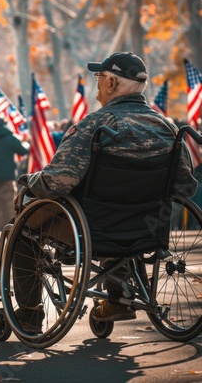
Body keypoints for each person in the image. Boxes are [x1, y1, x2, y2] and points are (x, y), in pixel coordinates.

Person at [14, 52, 197, 330]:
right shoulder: (168, 129)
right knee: (113, 213)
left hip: (93, 230)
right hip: (147, 230)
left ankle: (29, 313)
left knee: (22, 227)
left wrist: (28, 182)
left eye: (99, 78)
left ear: (111, 83)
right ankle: (118, 298)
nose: (96, 84)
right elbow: (185, 187)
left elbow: (57, 182)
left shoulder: (93, 125)